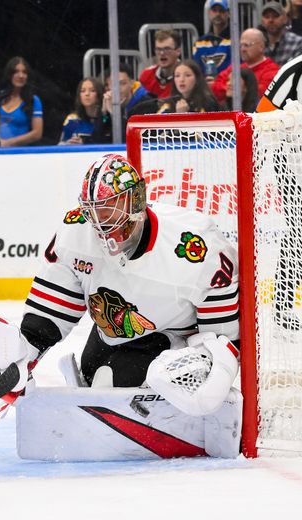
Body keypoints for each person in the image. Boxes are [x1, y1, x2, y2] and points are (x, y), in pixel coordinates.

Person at [18, 153, 240, 434]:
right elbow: (47, 315)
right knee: (96, 376)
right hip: (107, 341)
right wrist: (19, 356)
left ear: (136, 200)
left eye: (111, 208)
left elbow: (224, 340)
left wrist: (214, 379)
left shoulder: (196, 246)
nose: (101, 222)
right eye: (94, 210)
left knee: (116, 381)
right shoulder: (75, 231)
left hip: (173, 347)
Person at [256, 54, 302, 330]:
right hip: (293, 165)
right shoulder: (294, 71)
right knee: (298, 233)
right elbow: (261, 115)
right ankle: (283, 306)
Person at [212, 28, 280, 105]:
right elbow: (215, 88)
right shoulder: (235, 68)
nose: (243, 49)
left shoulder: (272, 70)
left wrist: (231, 89)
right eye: (241, 45)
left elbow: (260, 93)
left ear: (261, 47)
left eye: (247, 45)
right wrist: (235, 89)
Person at [0, 56, 43, 147]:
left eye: (24, 72)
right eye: (16, 71)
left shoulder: (33, 100)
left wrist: (8, 143)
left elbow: (37, 133)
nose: (21, 76)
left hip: (19, 154)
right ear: (9, 74)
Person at [58, 77, 110, 145]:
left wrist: (85, 143)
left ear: (99, 94)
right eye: (82, 91)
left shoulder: (105, 118)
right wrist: (69, 144)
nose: (87, 94)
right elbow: (61, 146)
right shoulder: (73, 120)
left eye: (92, 90)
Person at [193, 0, 232, 79]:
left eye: (221, 11)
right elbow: (195, 70)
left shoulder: (237, 40)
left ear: (228, 13)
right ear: (209, 13)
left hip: (228, 87)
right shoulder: (200, 42)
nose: (218, 14)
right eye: (214, 10)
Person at [139, 29, 182, 99]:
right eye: (158, 49)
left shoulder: (187, 77)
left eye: (167, 49)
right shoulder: (146, 76)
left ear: (178, 51)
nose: (162, 53)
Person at [262, 1, 302, 67]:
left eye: (275, 16)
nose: (271, 20)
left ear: (285, 19)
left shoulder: (297, 42)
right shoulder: (258, 44)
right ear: (262, 21)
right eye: (267, 17)